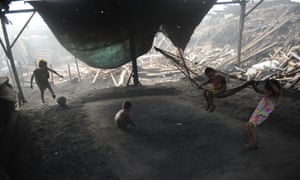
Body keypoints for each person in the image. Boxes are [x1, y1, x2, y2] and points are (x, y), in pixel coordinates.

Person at [245, 79, 281, 150]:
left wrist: (269, 82)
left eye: (268, 90)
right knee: (249, 126)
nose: (266, 91)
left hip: (263, 114)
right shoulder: (267, 93)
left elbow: (277, 91)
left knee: (249, 126)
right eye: (266, 90)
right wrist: (253, 85)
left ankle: (253, 144)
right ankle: (254, 143)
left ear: (272, 91)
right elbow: (257, 90)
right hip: (257, 112)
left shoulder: (275, 97)